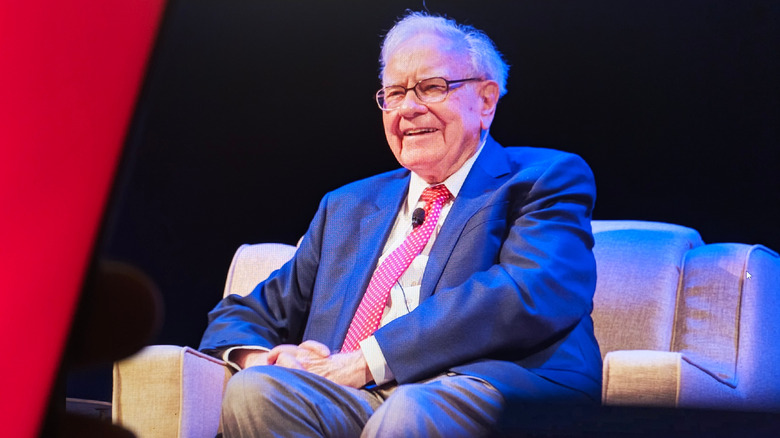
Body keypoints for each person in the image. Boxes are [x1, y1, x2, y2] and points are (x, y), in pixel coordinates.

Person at [200, 11, 601, 437]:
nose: (408, 108)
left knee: (411, 409)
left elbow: (526, 291)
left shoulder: (544, 179)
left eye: (432, 87)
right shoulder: (346, 207)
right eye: (394, 93)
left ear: (486, 101)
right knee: (255, 391)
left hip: (486, 387)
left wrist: (367, 360)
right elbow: (245, 313)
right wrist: (267, 360)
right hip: (355, 396)